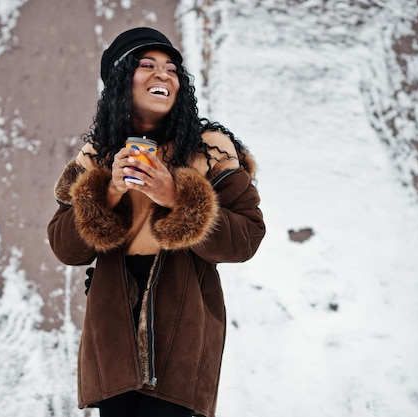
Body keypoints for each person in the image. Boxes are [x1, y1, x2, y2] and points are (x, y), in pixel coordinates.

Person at [47, 27, 265, 417]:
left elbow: (246, 238)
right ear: (120, 79)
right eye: (146, 65)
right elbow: (66, 249)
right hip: (112, 335)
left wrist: (176, 198)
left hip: (183, 330)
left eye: (171, 69)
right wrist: (108, 191)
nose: (163, 74)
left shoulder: (210, 149)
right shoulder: (95, 157)